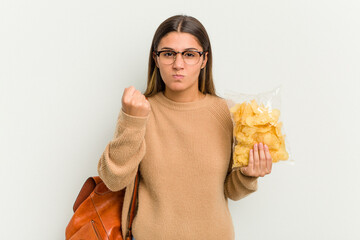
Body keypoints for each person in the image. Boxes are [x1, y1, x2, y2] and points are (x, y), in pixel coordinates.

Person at [98, 15, 272, 240]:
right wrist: (132, 121)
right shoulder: (140, 110)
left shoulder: (226, 113)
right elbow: (113, 180)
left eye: (189, 54)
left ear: (204, 59)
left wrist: (248, 175)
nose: (178, 64)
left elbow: (231, 191)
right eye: (168, 53)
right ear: (156, 58)